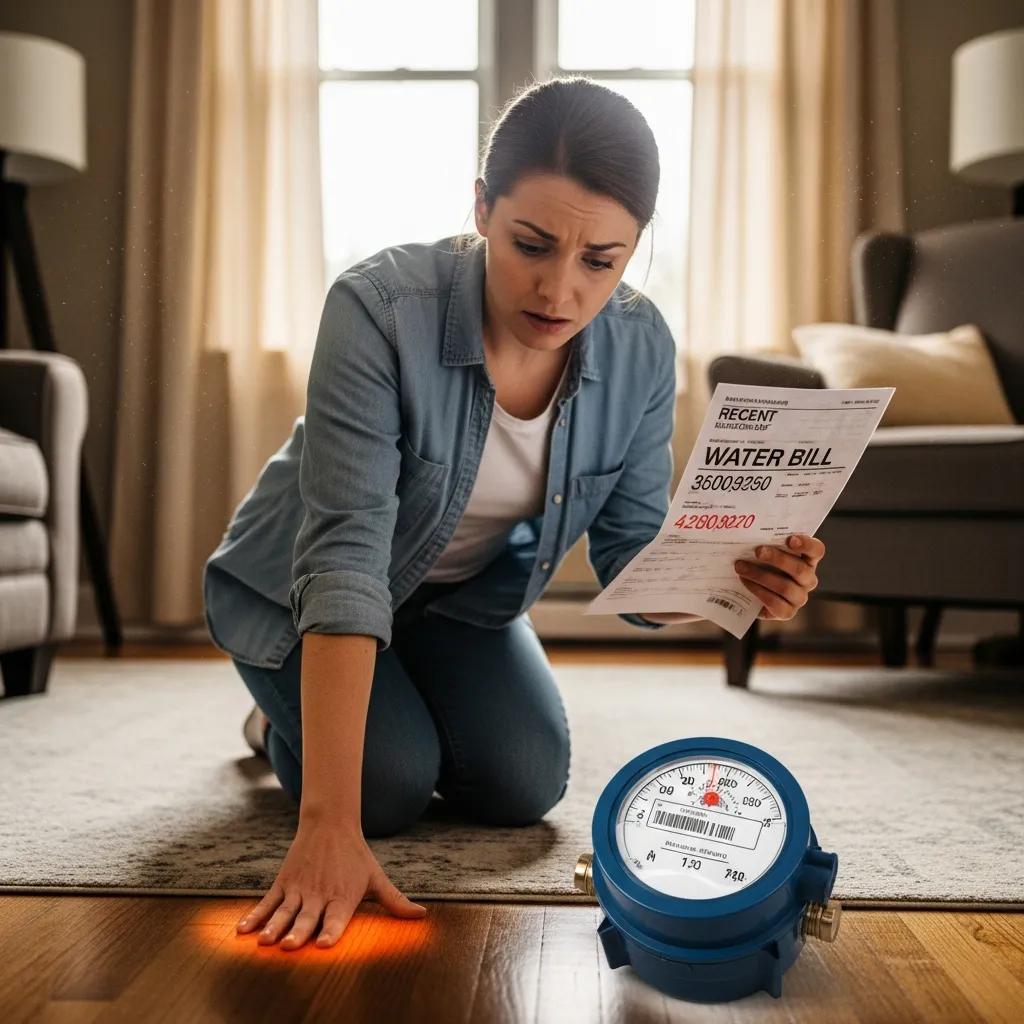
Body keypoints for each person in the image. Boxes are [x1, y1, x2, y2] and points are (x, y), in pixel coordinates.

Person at [202, 75, 826, 953]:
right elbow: (345, 559)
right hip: (300, 593)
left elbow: (630, 555)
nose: (559, 292)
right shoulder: (379, 310)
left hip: (461, 604)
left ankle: (366, 706)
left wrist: (737, 585)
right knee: (383, 791)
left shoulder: (642, 345)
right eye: (532, 244)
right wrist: (327, 824)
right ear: (482, 208)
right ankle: (285, 718)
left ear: (634, 247)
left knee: (523, 786)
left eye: (600, 261)